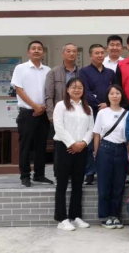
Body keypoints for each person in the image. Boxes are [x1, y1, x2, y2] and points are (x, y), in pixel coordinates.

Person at [52, 78, 94, 231]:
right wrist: (71, 144)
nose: (77, 90)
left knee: (78, 184)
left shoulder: (87, 108)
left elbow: (91, 128)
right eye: (73, 87)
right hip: (64, 147)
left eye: (80, 87)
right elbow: (58, 126)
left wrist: (83, 143)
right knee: (62, 184)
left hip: (81, 149)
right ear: (68, 89)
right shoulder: (61, 105)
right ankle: (62, 219)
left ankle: (75, 216)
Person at [12, 40, 53, 187]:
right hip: (27, 113)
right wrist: (34, 106)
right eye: (33, 48)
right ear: (28, 52)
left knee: (41, 145)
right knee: (26, 145)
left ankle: (39, 174)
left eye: (39, 48)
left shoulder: (48, 70)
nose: (36, 50)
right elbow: (19, 90)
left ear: (43, 52)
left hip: (43, 113)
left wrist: (43, 108)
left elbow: (50, 91)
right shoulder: (20, 68)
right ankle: (25, 176)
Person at [93, 85, 129, 229]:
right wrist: (96, 152)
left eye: (117, 93)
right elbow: (96, 134)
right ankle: (105, 216)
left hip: (121, 149)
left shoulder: (127, 113)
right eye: (112, 93)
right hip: (105, 149)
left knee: (118, 185)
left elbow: (128, 137)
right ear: (107, 96)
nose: (115, 96)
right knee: (104, 185)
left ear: (121, 95)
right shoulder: (102, 113)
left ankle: (115, 216)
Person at [79, 43, 116, 185]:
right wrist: (99, 104)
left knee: (107, 139)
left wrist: (108, 103)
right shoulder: (84, 72)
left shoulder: (110, 73)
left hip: (109, 110)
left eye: (102, 53)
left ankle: (105, 170)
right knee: (91, 140)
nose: (100, 55)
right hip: (92, 110)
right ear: (90, 56)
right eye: (97, 53)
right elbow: (85, 91)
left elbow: (115, 90)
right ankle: (89, 172)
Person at [45, 43, 80, 121]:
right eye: (68, 51)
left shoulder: (81, 72)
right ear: (63, 54)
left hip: (78, 111)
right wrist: (51, 115)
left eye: (74, 51)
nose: (72, 53)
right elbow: (49, 96)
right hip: (60, 112)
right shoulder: (53, 72)